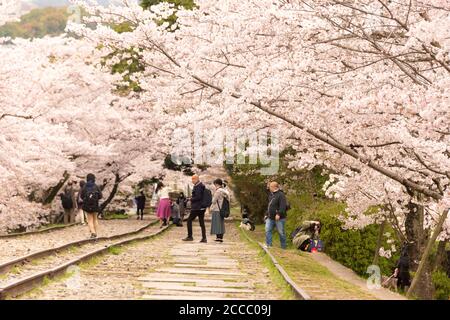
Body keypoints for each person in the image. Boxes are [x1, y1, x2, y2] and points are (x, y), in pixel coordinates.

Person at [183, 174, 208, 243]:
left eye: (193, 179)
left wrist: (191, 199)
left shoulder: (198, 186)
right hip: (202, 207)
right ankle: (204, 238)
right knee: (201, 222)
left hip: (197, 207)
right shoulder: (201, 186)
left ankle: (190, 236)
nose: (192, 181)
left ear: (196, 179)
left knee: (189, 220)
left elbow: (198, 197)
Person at [265, 181, 287, 249]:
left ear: (274, 187)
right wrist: (266, 214)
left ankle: (283, 247)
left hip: (279, 218)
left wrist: (278, 214)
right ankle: (269, 245)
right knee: (268, 230)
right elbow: (269, 206)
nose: (269, 188)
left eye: (270, 186)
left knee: (281, 232)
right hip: (270, 217)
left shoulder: (281, 195)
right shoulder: (271, 195)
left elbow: (283, 206)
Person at [80, 173, 103, 238]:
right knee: (95, 219)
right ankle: (95, 232)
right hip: (95, 204)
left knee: (89, 220)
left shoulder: (84, 186)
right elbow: (100, 196)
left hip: (87, 205)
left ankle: (93, 233)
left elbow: (81, 196)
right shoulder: (96, 186)